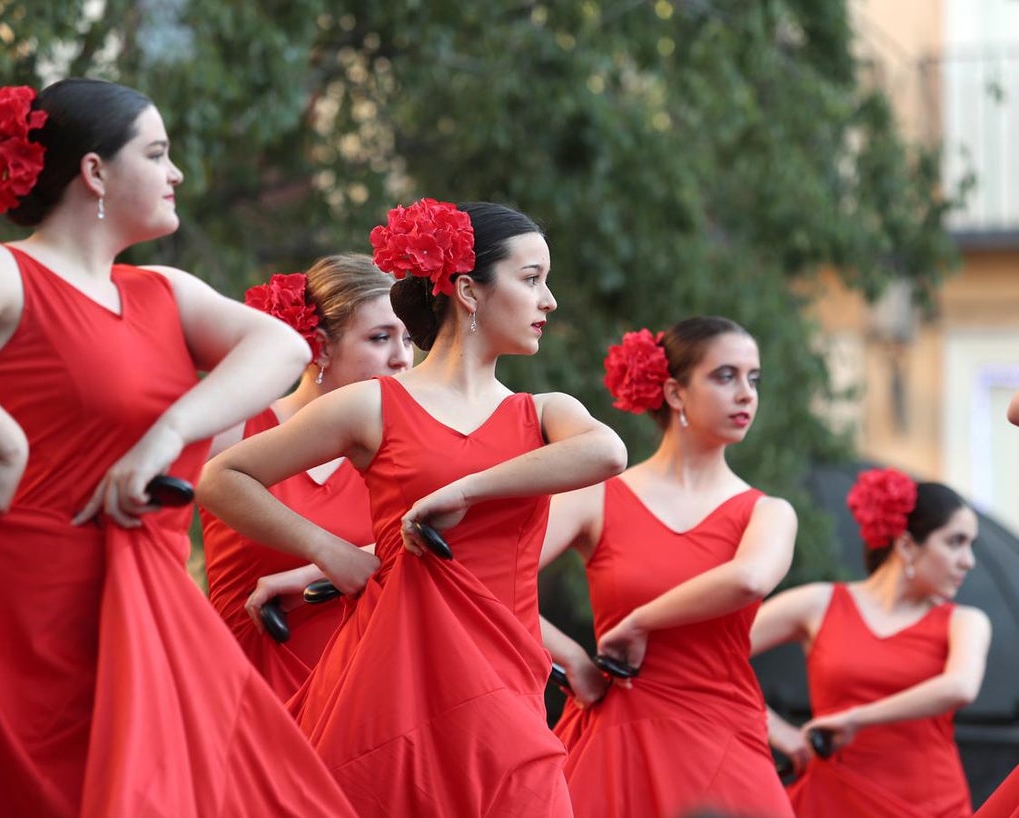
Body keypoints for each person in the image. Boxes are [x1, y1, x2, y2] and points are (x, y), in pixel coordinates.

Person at [0, 78, 358, 817]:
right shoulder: (2, 270)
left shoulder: (163, 292)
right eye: (157, 153)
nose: (176, 174)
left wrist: (166, 433)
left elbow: (283, 349)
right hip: (23, 612)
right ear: (95, 172)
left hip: (146, 607)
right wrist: (6, 439)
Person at [198, 197, 627, 817]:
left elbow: (610, 453)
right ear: (468, 291)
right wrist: (329, 552)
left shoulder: (545, 412)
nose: (549, 300)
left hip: (505, 686)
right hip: (394, 679)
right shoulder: (373, 404)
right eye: (532, 279)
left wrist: (465, 490)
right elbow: (222, 477)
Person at [541, 318, 798, 818]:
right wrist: (571, 659)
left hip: (725, 736)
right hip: (618, 737)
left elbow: (749, 580)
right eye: (726, 376)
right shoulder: (596, 495)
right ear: (675, 394)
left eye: (754, 378)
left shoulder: (768, 512)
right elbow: (488, 580)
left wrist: (639, 621)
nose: (747, 394)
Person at [200, 255, 412, 699]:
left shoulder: (403, 448)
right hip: (241, 696)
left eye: (409, 340)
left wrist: (321, 566)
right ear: (321, 345)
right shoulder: (234, 429)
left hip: (361, 698)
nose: (402, 359)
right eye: (380, 338)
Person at [751, 467, 991, 817]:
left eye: (971, 546)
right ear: (906, 544)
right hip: (832, 800)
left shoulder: (965, 622)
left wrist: (855, 719)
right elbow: (712, 655)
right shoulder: (818, 604)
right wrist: (773, 728)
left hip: (931, 806)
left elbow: (960, 687)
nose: (968, 561)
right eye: (955, 542)